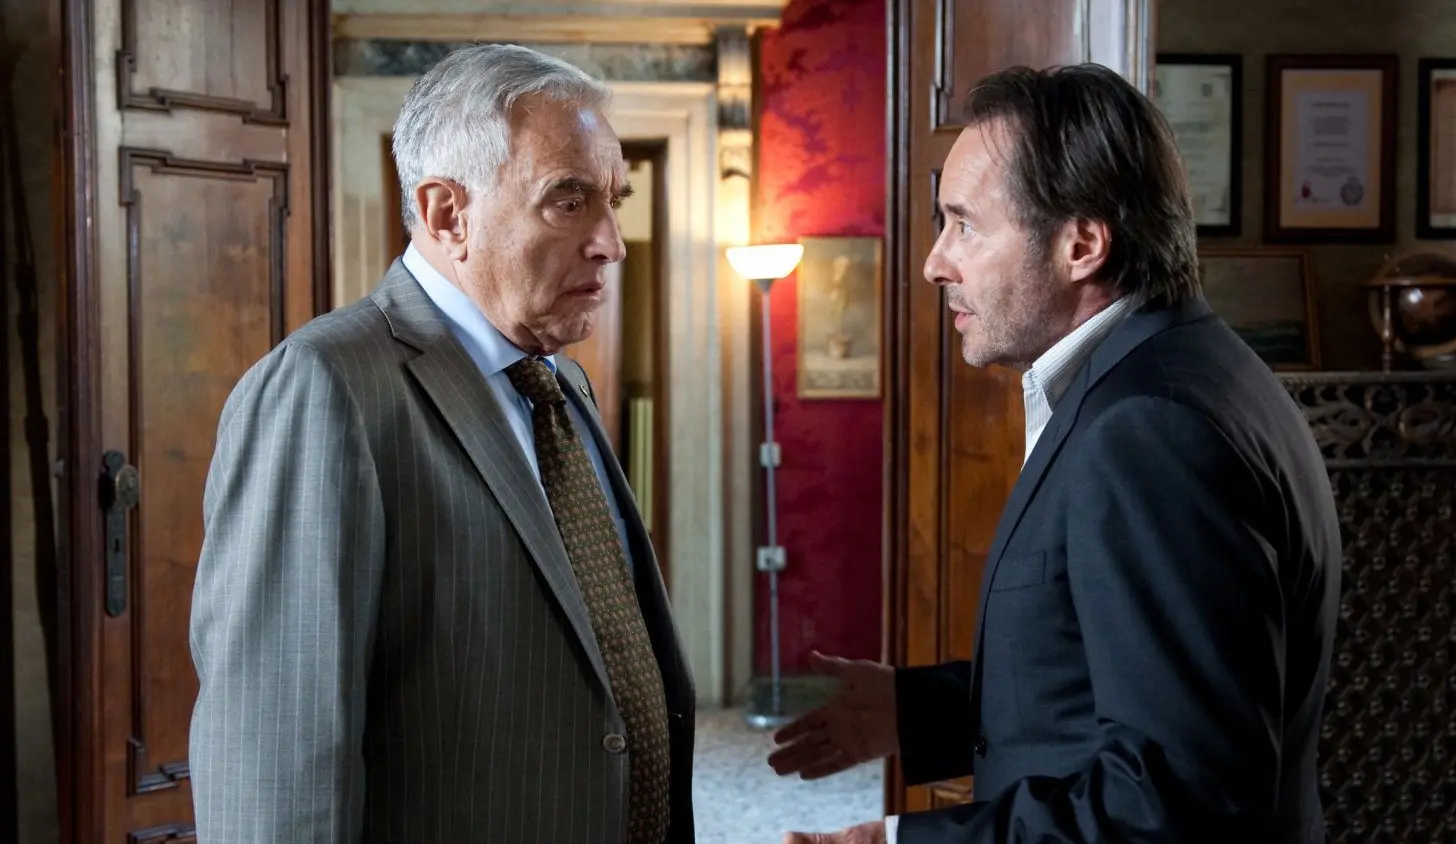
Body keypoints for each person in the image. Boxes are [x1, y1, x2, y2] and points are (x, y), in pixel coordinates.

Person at [769, 63, 1341, 844]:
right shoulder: (1184, 371)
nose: (936, 262)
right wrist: (921, 709)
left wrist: (900, 842)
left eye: (965, 225)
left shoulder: (1148, 429)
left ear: (1081, 245)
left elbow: (1177, 800)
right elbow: (1117, 681)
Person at [188, 44, 695, 844]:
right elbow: (275, 754)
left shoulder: (561, 382)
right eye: (568, 201)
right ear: (446, 214)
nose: (611, 243)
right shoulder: (326, 387)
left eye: (614, 202)